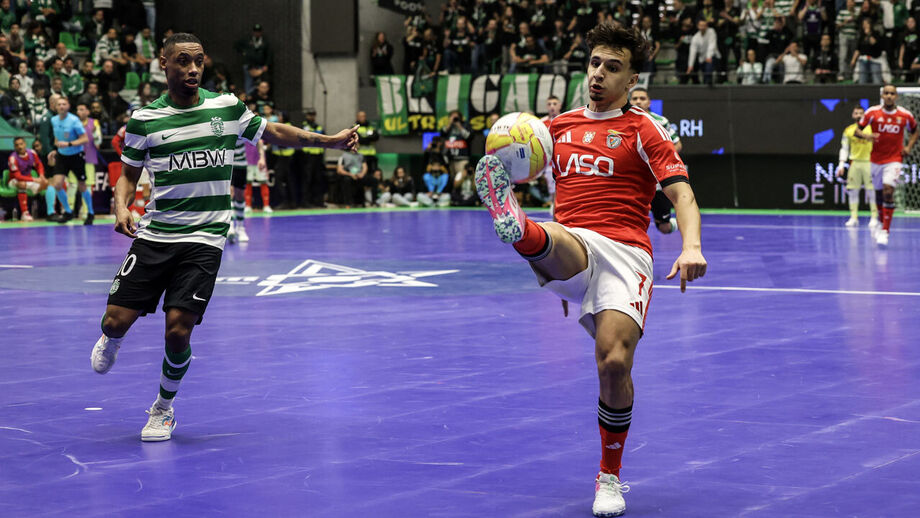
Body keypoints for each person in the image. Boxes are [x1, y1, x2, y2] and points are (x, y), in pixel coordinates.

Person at [474, 24, 706, 517]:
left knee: (614, 364)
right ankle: (518, 227)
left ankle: (609, 477)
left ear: (631, 79)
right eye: (595, 63)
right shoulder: (554, 129)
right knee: (551, 236)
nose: (599, 74)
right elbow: (531, 161)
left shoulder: (645, 129)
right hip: (572, 240)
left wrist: (691, 246)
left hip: (625, 252)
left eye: (613, 67)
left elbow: (681, 193)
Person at [89, 32, 358, 442]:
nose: (193, 68)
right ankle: (112, 338)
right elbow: (127, 175)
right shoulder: (145, 119)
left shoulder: (226, 106)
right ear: (164, 64)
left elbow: (274, 132)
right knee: (114, 320)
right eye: (182, 61)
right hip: (156, 235)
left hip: (205, 238)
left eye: (198, 61)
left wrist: (329, 140)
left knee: (179, 328)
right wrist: (122, 206)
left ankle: (163, 408)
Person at [856, 84, 918, 246]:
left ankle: (885, 231)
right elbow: (857, 131)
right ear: (882, 96)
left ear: (896, 96)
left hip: (894, 159)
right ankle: (880, 220)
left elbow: (915, 131)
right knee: (878, 195)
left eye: (892, 93)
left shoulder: (905, 115)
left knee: (888, 191)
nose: (889, 96)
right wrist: (867, 136)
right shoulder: (872, 112)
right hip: (875, 159)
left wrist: (908, 147)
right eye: (886, 93)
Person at [629, 87, 683, 235]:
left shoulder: (661, 121)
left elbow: (677, 145)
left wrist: (654, 160)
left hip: (657, 183)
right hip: (633, 182)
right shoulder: (622, 122)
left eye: (642, 98)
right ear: (629, 101)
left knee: (664, 228)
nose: (638, 101)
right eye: (635, 99)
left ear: (649, 102)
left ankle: (683, 220)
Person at [48, 97, 89, 224]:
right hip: (62, 155)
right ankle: (68, 211)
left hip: (76, 155)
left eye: (63, 104)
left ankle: (91, 213)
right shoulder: (53, 120)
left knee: (82, 186)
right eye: (59, 104)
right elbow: (57, 138)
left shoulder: (74, 120)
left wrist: (69, 144)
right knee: (57, 184)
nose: (61, 106)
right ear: (55, 107)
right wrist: (56, 149)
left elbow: (85, 139)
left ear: (68, 106)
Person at [836, 105, 878, 228]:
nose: (858, 115)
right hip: (855, 162)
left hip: (870, 162)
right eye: (856, 113)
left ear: (864, 115)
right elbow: (844, 148)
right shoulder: (848, 130)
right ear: (853, 115)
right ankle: (853, 217)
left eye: (861, 113)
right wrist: (841, 164)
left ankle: (874, 218)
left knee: (871, 191)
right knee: (853, 190)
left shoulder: (872, 128)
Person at [6, 136, 49, 221]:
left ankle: (52, 212)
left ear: (25, 144)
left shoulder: (32, 153)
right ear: (14, 147)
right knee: (22, 184)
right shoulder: (12, 158)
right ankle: (25, 213)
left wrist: (41, 175)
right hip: (14, 181)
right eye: (17, 145)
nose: (19, 146)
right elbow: (17, 176)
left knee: (47, 184)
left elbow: (39, 165)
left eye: (21, 144)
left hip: (28, 180)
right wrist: (34, 180)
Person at [75, 102, 102, 223]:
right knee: (71, 185)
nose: (79, 112)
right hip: (74, 157)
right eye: (78, 109)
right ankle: (69, 212)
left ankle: (86, 211)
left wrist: (94, 132)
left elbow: (98, 142)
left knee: (88, 185)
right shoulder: (72, 122)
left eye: (82, 109)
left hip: (89, 157)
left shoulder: (94, 123)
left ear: (87, 112)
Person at [540, 95, 562, 214]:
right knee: (552, 187)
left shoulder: (566, 119)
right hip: (548, 161)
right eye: (549, 104)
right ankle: (554, 203)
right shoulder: (541, 123)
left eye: (554, 103)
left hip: (563, 159)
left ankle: (560, 204)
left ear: (560, 105)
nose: (552, 106)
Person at [301, 107, 326, 207]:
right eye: (310, 115)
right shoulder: (304, 127)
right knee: (307, 179)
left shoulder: (319, 127)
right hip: (308, 157)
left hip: (318, 157)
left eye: (313, 115)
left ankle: (318, 201)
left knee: (318, 179)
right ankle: (306, 201)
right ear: (307, 116)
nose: (311, 117)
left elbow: (324, 139)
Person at [687, 17, 721, 84]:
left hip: (713, 56)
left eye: (704, 25)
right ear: (698, 26)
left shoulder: (711, 31)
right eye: (701, 25)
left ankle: (710, 82)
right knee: (704, 74)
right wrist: (690, 65)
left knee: (709, 69)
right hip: (702, 59)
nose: (702, 27)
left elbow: (712, 45)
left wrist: (708, 57)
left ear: (706, 26)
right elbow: (692, 52)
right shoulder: (695, 38)